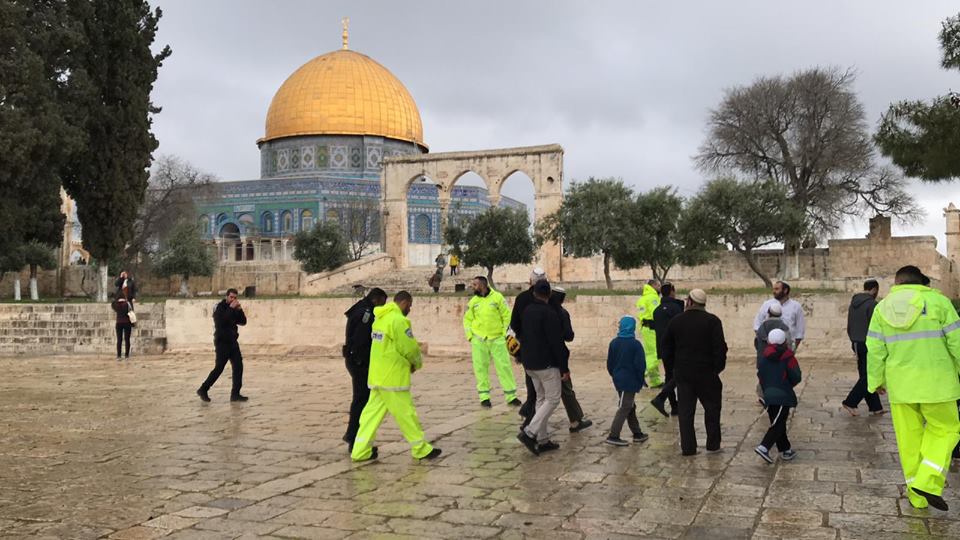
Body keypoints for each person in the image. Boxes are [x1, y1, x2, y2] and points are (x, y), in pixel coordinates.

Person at [867, 265, 960, 511]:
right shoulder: (939, 303)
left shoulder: (882, 308)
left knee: (909, 441)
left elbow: (875, 348)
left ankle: (916, 497)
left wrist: (875, 381)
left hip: (901, 386)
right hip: (938, 384)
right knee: (946, 430)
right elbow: (957, 342)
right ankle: (927, 482)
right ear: (922, 282)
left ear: (897, 283)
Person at [351, 291, 442, 462]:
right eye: (410, 305)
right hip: (393, 377)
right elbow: (409, 348)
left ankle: (360, 450)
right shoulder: (399, 321)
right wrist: (417, 363)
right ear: (405, 302)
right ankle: (420, 448)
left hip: (377, 376)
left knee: (370, 415)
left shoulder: (380, 319)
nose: (410, 309)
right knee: (406, 414)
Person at [661, 289, 728, 456]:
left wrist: (673, 368)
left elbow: (666, 347)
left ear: (690, 302)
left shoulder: (677, 321)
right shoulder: (713, 321)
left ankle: (688, 448)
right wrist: (716, 369)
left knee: (685, 412)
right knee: (712, 410)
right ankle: (713, 445)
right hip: (707, 373)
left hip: (684, 374)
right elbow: (720, 349)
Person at [516, 280, 566, 455]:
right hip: (546, 364)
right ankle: (530, 433)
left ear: (534, 293)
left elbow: (521, 334)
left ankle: (543, 439)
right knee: (552, 399)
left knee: (541, 399)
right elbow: (556, 342)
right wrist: (564, 367)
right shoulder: (549, 313)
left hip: (529, 363)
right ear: (549, 294)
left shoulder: (527, 310)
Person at [342, 287, 388, 453]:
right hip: (359, 362)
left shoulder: (361, 308)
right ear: (377, 299)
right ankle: (354, 438)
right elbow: (361, 342)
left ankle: (354, 437)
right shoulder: (366, 314)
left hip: (355, 360)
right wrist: (365, 363)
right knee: (361, 401)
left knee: (361, 400)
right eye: (383, 302)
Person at [464, 276, 520, 407]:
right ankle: (484, 397)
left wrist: (504, 334)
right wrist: (470, 336)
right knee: (480, 368)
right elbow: (467, 319)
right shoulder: (473, 301)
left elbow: (507, 315)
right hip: (479, 340)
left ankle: (511, 396)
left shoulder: (498, 298)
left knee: (504, 367)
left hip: (497, 339)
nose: (473, 286)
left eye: (475, 284)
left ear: (483, 285)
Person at [544, 286, 593, 432]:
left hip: (538, 357)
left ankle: (531, 420)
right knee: (566, 390)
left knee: (539, 392)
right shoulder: (561, 313)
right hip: (557, 358)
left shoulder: (540, 310)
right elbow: (569, 336)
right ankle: (575, 420)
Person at [754, 328, 802, 463]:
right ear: (784, 341)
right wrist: (787, 385)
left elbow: (760, 374)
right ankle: (764, 446)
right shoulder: (788, 357)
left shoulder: (764, 357)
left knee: (777, 421)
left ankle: (785, 449)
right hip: (783, 394)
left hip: (768, 394)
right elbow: (796, 376)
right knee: (779, 423)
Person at [605, 316, 650, 446]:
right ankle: (613, 435)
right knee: (625, 407)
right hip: (629, 381)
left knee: (630, 405)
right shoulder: (635, 345)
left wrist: (614, 375)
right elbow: (640, 365)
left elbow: (610, 363)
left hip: (618, 379)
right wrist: (641, 380)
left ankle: (637, 433)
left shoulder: (614, 343)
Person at [197, 288, 248, 402]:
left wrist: (239, 310)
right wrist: (231, 308)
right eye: (231, 297)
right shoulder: (219, 307)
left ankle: (235, 394)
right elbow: (221, 321)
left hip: (233, 342)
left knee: (238, 367)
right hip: (222, 343)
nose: (233, 299)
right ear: (227, 296)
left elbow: (243, 322)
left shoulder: (234, 308)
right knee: (219, 368)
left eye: (235, 297)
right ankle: (203, 389)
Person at [842, 279, 884, 417]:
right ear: (874, 289)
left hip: (856, 342)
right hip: (869, 343)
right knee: (868, 376)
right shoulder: (872, 304)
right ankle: (850, 401)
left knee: (865, 374)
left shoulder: (853, 303)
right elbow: (876, 326)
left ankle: (875, 407)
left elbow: (849, 325)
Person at [513, 268, 547, 421]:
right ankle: (531, 416)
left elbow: (514, 325)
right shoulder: (549, 298)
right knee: (542, 388)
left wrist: (518, 349)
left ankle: (530, 413)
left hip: (527, 349)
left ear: (530, 281)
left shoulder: (521, 298)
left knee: (531, 382)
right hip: (544, 350)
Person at [650, 283, 684, 417]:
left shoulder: (657, 310)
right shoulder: (676, 308)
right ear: (671, 292)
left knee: (670, 375)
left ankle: (674, 406)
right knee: (679, 375)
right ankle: (661, 398)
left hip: (663, 348)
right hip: (676, 348)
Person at [754, 303, 791, 407]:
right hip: (780, 359)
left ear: (769, 313)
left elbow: (757, 342)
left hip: (764, 357)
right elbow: (789, 343)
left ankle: (762, 396)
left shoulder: (762, 327)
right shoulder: (784, 327)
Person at [753, 281, 805, 351]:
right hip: (768, 347)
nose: (774, 291)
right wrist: (764, 342)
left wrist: (793, 348)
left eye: (777, 289)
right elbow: (757, 325)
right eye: (774, 289)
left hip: (787, 346)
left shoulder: (796, 306)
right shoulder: (767, 304)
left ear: (785, 290)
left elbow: (800, 330)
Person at [635, 279, 662, 387]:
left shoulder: (642, 298)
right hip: (652, 329)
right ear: (653, 285)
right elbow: (656, 313)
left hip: (645, 328)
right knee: (655, 354)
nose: (660, 288)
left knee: (650, 354)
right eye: (658, 285)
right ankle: (640, 375)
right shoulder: (653, 298)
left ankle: (655, 381)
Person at [111, 296, 133, 360]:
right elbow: (131, 311)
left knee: (119, 340)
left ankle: (119, 355)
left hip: (119, 323)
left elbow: (112, 306)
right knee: (127, 339)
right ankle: (127, 355)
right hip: (127, 322)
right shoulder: (127, 304)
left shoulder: (116, 304)